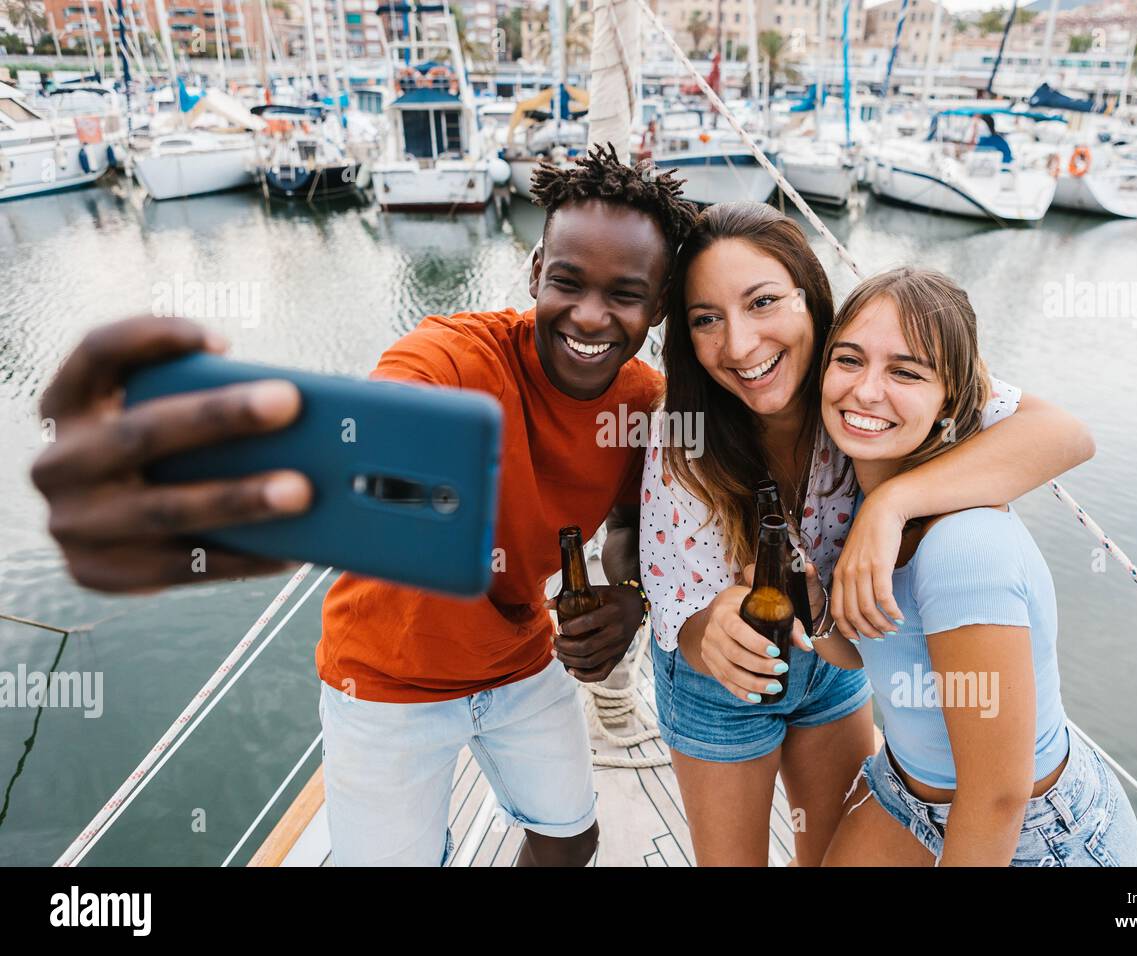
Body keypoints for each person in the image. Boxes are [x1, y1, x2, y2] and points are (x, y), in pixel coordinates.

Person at [29, 144, 699, 866]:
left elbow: (631, 522)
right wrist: (194, 464)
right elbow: (378, 425)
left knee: (570, 840)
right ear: (536, 272)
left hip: (520, 661)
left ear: (658, 304)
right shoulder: (452, 355)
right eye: (567, 281)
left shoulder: (643, 404)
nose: (591, 316)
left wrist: (629, 596)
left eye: (625, 295)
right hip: (384, 680)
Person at [639, 202, 1097, 866]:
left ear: (811, 300)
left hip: (837, 657)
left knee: (824, 849)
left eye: (763, 302)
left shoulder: (860, 378)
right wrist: (709, 628)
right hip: (721, 686)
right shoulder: (681, 438)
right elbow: (675, 603)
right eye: (706, 319)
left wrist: (892, 505)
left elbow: (1065, 435)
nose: (738, 345)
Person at [816, 267, 1137, 866]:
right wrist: (817, 605)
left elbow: (997, 795)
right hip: (905, 787)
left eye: (905, 372)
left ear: (955, 402)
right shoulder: (860, 500)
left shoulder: (964, 549)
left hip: (1031, 831)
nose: (865, 391)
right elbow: (864, 652)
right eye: (849, 359)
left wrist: (890, 504)